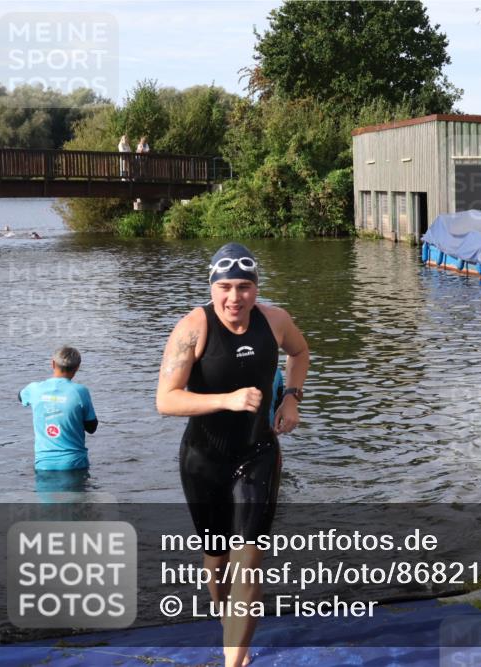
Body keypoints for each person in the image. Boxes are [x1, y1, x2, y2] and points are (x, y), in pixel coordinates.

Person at [156, 243, 309, 667]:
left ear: (256, 289)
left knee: (249, 560)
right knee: (217, 558)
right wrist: (226, 400)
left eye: (244, 286)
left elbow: (300, 352)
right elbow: (166, 400)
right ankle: (228, 622)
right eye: (225, 287)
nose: (235, 297)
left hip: (257, 452)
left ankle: (234, 661)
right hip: (203, 459)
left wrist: (291, 398)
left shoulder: (275, 321)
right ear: (212, 288)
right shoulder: (192, 328)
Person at [19, 346, 98, 492]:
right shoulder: (80, 391)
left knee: (48, 511)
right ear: (77, 368)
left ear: (53, 364)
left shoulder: (34, 389)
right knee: (76, 510)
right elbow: (92, 428)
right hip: (74, 464)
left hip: (44, 465)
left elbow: (20, 396)